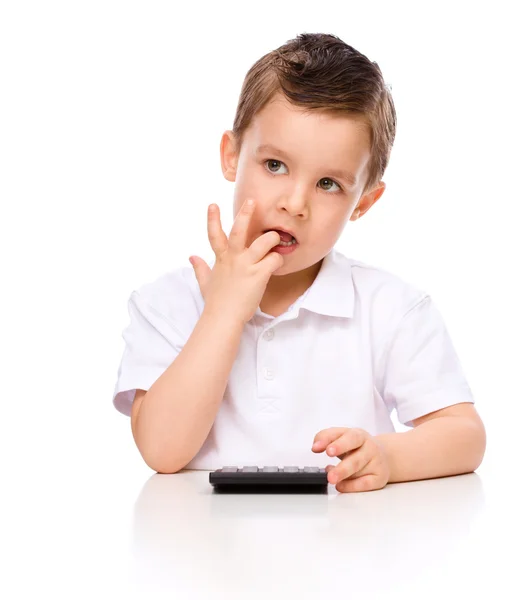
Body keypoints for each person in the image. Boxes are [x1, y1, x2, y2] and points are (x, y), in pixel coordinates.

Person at [112, 32, 486, 492]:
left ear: (364, 202)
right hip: (204, 554)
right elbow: (162, 452)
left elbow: (466, 436)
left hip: (345, 551)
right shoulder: (167, 303)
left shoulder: (389, 309)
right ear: (232, 156)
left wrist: (387, 455)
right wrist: (223, 312)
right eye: (274, 166)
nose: (294, 203)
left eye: (328, 184)